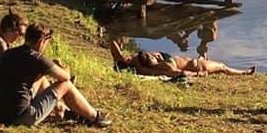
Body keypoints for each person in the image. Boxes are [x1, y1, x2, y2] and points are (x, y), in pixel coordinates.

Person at [0, 23, 111, 128]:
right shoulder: (37, 59)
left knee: (41, 79)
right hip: (19, 118)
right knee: (66, 85)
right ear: (42, 41)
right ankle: (95, 117)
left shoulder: (9, 53)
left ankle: (61, 110)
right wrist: (63, 68)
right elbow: (65, 78)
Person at [109, 39, 254, 77]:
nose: (155, 54)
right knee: (222, 67)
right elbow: (180, 73)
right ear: (151, 62)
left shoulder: (138, 62)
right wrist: (199, 74)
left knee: (208, 60)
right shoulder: (163, 67)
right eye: (154, 56)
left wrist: (124, 59)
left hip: (193, 62)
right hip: (197, 66)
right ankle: (243, 73)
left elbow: (113, 45)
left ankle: (203, 57)